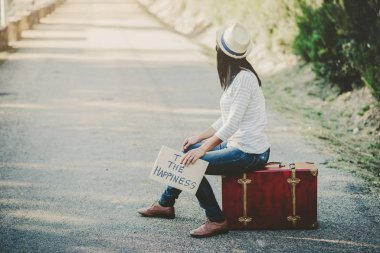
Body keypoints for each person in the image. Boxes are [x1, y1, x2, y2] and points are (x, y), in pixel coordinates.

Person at [138, 23, 270, 238]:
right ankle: (165, 204)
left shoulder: (244, 79)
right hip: (238, 144)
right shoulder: (235, 74)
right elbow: (226, 119)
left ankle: (216, 219)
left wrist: (202, 150)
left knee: (193, 164)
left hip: (251, 151)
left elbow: (232, 125)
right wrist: (198, 139)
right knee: (186, 154)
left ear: (221, 51)